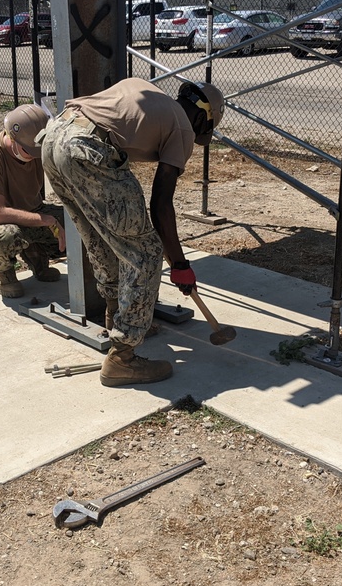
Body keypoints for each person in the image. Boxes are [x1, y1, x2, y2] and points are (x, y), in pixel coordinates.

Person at [38, 77, 225, 387]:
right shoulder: (182, 128)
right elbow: (161, 205)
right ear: (204, 118)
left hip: (55, 136)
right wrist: (179, 265)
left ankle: (116, 314)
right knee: (146, 252)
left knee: (101, 237)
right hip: (86, 148)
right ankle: (123, 358)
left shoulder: (147, 93)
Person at [0, 103, 66, 298]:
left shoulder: (35, 152)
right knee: (5, 235)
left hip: (34, 210)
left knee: (74, 221)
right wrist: (44, 220)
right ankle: (5, 273)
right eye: (30, 152)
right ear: (13, 138)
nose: (34, 158)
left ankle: (36, 256)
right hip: (1, 222)